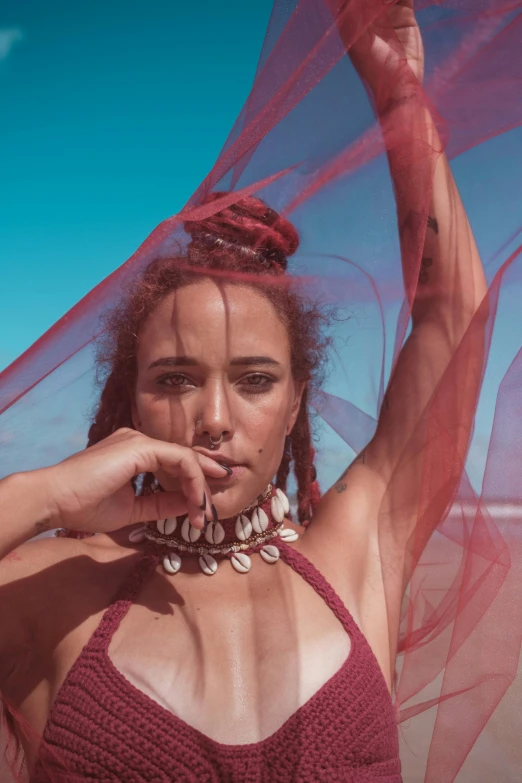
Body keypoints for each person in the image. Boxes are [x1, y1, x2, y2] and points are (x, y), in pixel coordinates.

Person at [0, 2, 497, 781]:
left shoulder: (358, 556)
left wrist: (398, 93)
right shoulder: (55, 589)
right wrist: (46, 497)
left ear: (297, 402)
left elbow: (453, 314)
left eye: (255, 380)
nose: (214, 419)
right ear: (131, 403)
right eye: (174, 379)